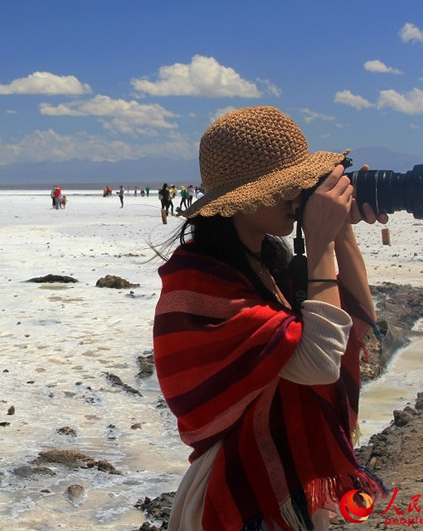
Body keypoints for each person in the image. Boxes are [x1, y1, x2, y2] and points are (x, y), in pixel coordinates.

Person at [152, 106, 387, 531]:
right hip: (240, 495)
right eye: (286, 187)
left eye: (302, 183)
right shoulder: (201, 283)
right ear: (244, 199)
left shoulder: (266, 263)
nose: (298, 196)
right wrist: (320, 243)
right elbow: (320, 362)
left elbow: (357, 318)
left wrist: (340, 230)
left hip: (289, 481)